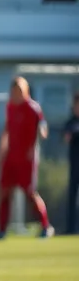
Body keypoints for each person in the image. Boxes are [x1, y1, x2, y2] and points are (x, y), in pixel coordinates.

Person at [0, 77, 53, 240]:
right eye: (13, 91)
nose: (15, 94)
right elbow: (7, 131)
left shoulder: (33, 108)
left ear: (25, 91)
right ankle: (1, 230)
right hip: (11, 157)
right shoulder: (10, 107)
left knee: (30, 193)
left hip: (27, 158)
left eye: (18, 91)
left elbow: (42, 125)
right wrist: (1, 152)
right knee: (4, 192)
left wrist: (42, 132)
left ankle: (46, 226)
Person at [64, 93, 79, 235]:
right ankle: (71, 228)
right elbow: (66, 137)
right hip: (75, 166)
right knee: (72, 198)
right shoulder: (71, 122)